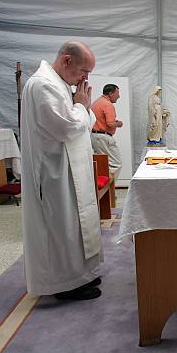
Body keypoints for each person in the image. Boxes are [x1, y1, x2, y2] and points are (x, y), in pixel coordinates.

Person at [20, 41, 102, 300]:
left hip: (70, 167)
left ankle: (80, 274)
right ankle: (63, 285)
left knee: (75, 225)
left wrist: (82, 106)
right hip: (54, 171)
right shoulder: (43, 85)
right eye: (83, 70)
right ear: (66, 60)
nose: (85, 78)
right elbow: (68, 126)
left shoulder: (61, 84)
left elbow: (86, 122)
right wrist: (81, 105)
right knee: (61, 227)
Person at [90, 84, 123, 179]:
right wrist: (119, 123)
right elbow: (110, 123)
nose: (119, 96)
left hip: (95, 136)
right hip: (104, 137)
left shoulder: (97, 102)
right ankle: (109, 190)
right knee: (115, 164)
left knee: (101, 164)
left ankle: (101, 190)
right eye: (117, 93)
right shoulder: (108, 104)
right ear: (110, 93)